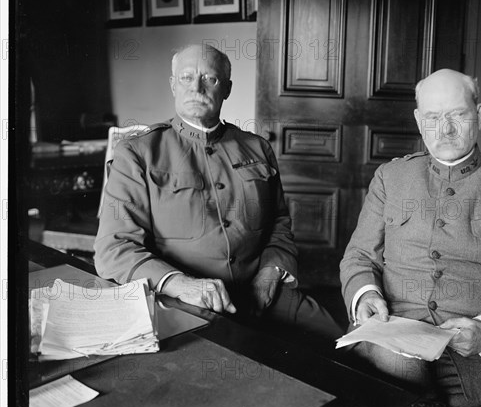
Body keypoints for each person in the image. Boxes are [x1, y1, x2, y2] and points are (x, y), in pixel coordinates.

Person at [94, 43, 342, 343]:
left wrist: (271, 272)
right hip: (183, 299)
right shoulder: (138, 153)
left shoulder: (257, 148)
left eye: (209, 79)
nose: (196, 87)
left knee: (344, 348)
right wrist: (181, 285)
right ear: (173, 85)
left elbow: (279, 226)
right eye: (186, 78)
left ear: (226, 88)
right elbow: (114, 248)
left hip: (262, 291)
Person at [339, 69, 481, 407]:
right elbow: (359, 256)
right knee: (400, 384)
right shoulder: (391, 177)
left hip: (475, 359)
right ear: (418, 121)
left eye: (457, 114)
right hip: (394, 342)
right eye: (433, 118)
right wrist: (366, 295)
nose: (445, 129)